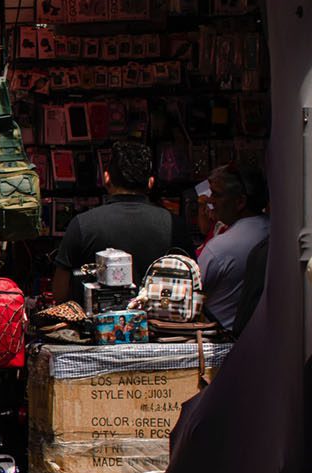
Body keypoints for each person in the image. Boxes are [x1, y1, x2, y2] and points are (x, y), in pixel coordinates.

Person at [51, 140, 190, 301]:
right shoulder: (175, 225)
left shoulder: (82, 224)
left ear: (106, 178)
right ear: (150, 183)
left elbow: (60, 293)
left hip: (98, 323)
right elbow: (192, 282)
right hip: (161, 323)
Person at [198, 164, 269, 331]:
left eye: (216, 194)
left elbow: (191, 293)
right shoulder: (274, 230)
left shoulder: (219, 248)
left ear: (240, 202)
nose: (210, 200)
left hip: (221, 338)